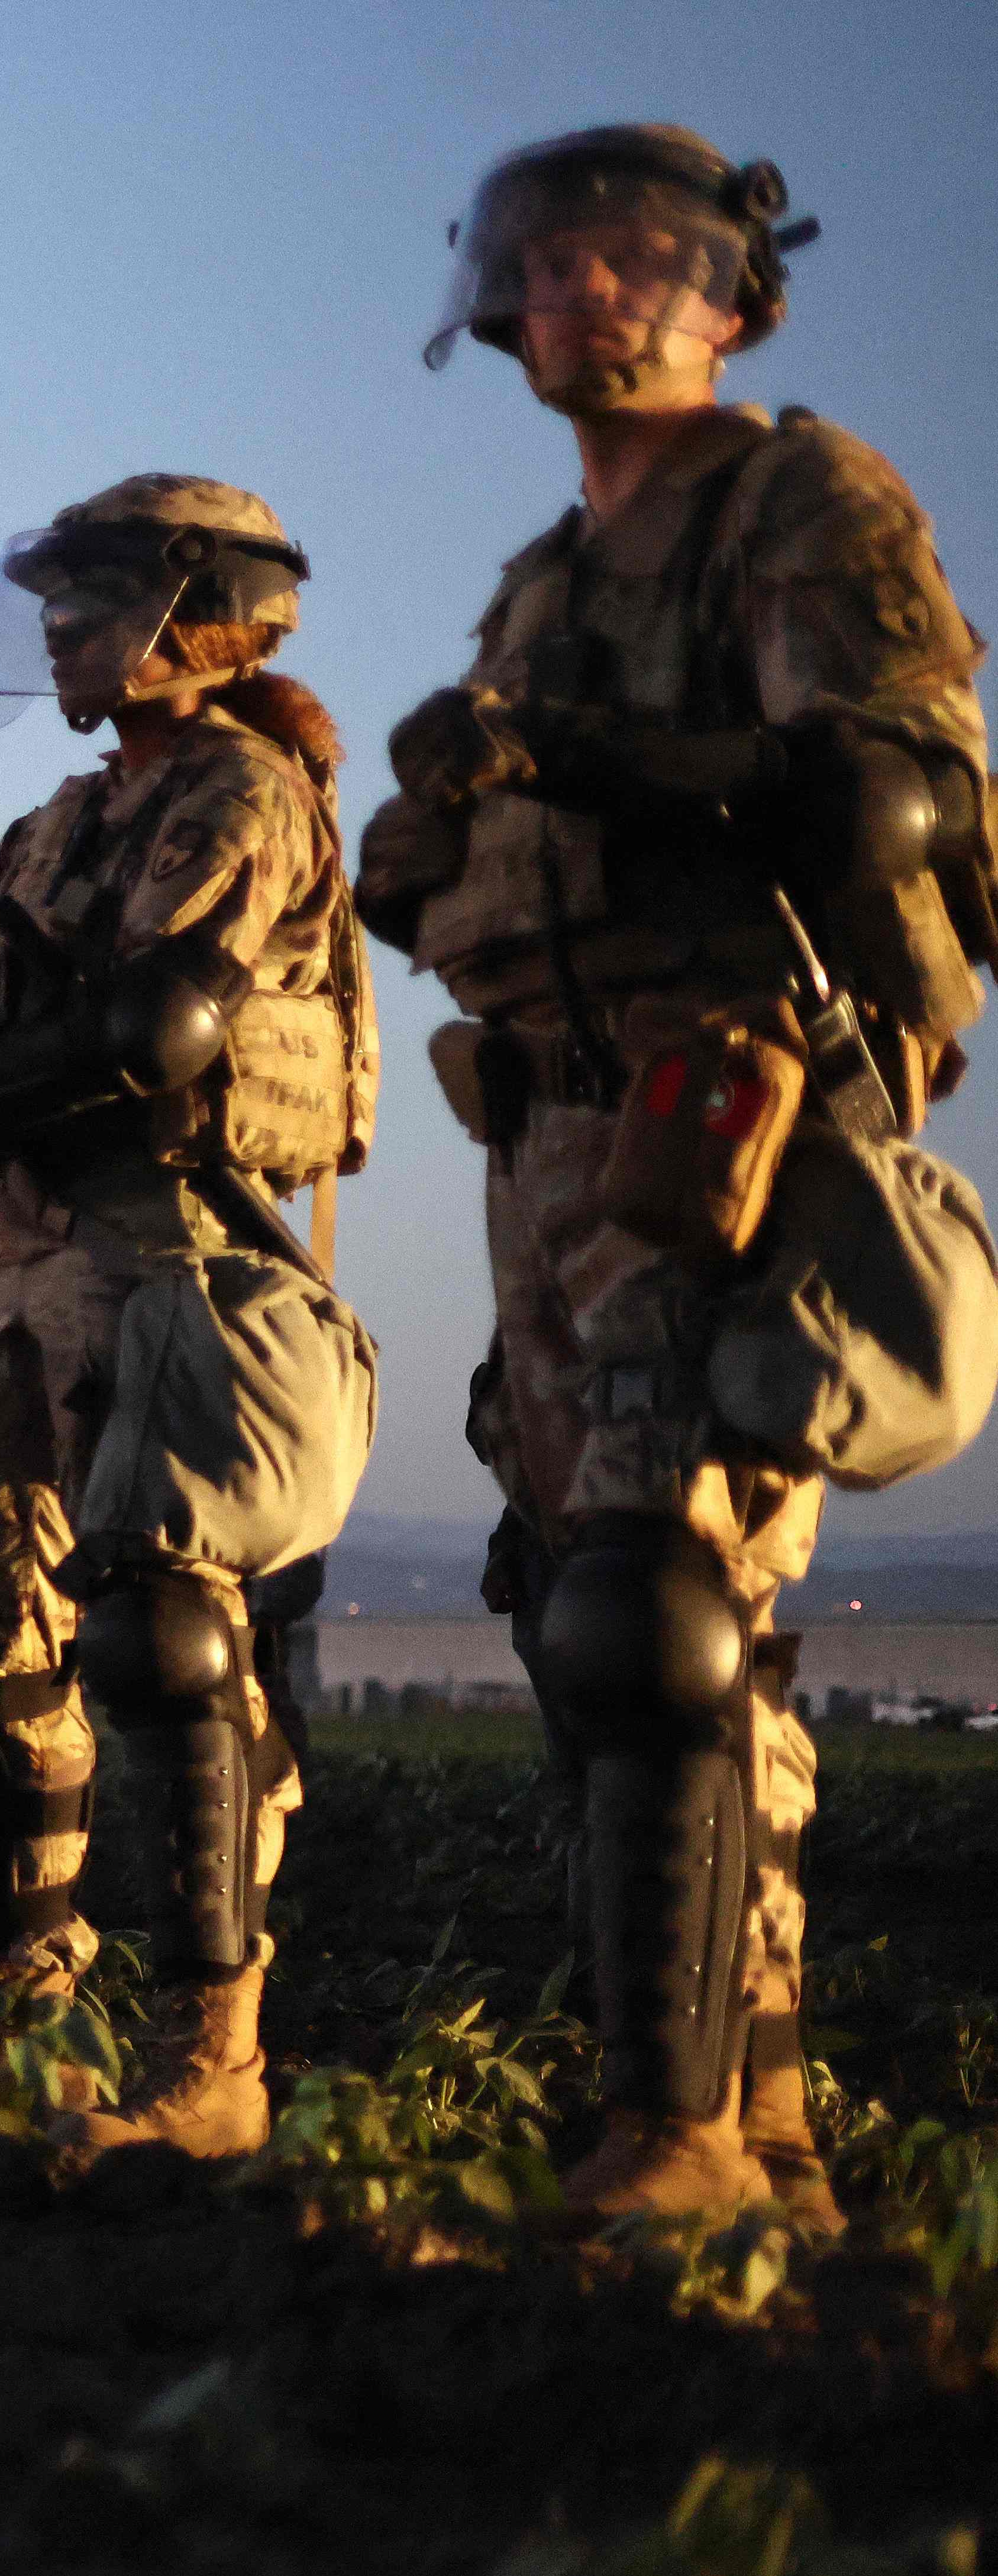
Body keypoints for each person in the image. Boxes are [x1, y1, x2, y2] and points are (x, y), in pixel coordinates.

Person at [356, 127, 990, 2220]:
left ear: (735, 290)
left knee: (660, 1604)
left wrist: (572, 756)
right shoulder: (541, 583)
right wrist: (441, 811)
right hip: (542, 1123)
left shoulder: (796, 499)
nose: (591, 294)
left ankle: (685, 2140)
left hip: (715, 1101)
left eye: (640, 258)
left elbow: (881, 795)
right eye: (549, 263)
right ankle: (744, 2113)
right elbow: (448, 885)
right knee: (583, 1610)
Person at [0, 473, 380, 2153]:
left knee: (161, 1634)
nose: (55, 632)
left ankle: (207, 2054)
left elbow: (147, 1024)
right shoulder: (46, 829)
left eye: (86, 601)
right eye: (47, 603)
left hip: (159, 1243)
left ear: (190, 609)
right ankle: (10, 2004)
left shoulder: (238, 791)